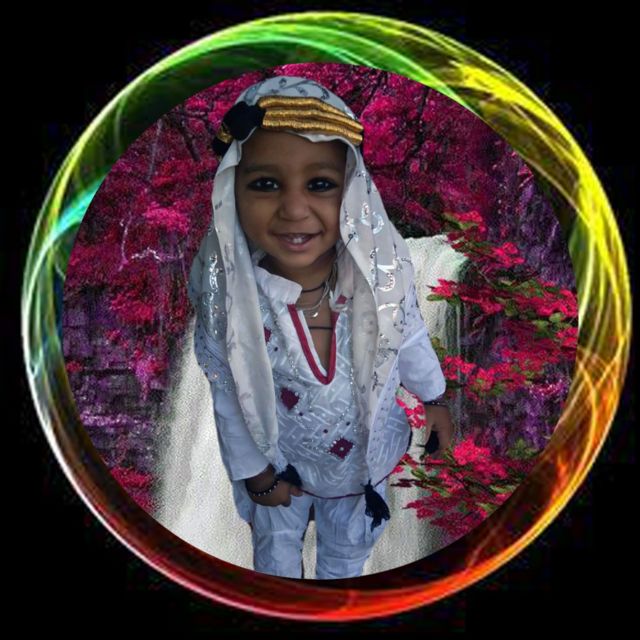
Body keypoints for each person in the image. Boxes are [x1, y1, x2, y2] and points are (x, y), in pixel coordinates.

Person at [187, 75, 455, 580]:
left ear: (351, 191)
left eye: (320, 185)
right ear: (232, 191)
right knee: (276, 557)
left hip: (360, 468)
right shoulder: (234, 299)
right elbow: (226, 387)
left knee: (347, 558)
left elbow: (409, 335)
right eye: (265, 184)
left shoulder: (378, 277)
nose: (294, 209)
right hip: (279, 462)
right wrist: (257, 475)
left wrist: (434, 398)